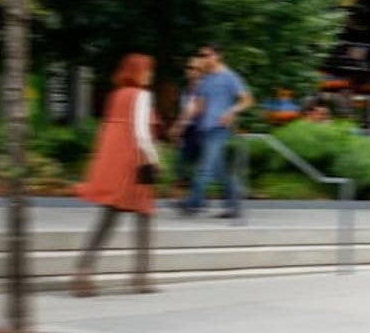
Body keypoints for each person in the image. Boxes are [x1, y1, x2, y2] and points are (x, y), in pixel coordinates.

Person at [72, 54, 162, 297]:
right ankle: (141, 276)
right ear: (139, 72)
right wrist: (155, 159)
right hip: (135, 163)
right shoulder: (142, 96)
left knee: (109, 217)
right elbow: (142, 133)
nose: (150, 74)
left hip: (116, 161)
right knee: (144, 216)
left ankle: (83, 272)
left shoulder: (116, 95)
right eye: (148, 70)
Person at [181, 43, 254, 219]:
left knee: (204, 168)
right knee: (219, 171)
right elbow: (198, 105)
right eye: (202, 55)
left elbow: (248, 100)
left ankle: (193, 203)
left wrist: (232, 111)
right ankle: (234, 205)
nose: (203, 58)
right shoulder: (205, 79)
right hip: (204, 129)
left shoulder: (229, 77)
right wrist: (182, 123)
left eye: (207, 55)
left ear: (218, 56)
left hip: (219, 129)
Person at [168, 56, 205, 201]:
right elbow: (185, 111)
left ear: (202, 72)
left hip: (201, 131)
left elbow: (192, 111)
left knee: (196, 167)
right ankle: (191, 197)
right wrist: (180, 132)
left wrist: (177, 128)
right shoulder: (186, 91)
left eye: (197, 69)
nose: (193, 71)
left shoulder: (204, 89)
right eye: (190, 68)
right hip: (189, 132)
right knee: (183, 164)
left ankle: (193, 198)